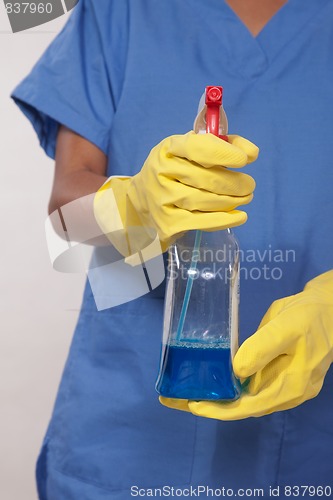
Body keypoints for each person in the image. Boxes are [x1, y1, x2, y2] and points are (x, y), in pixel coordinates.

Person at [11, 0, 333, 498]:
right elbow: (65, 224)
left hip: (312, 451)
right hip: (124, 446)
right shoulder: (119, 12)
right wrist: (134, 204)